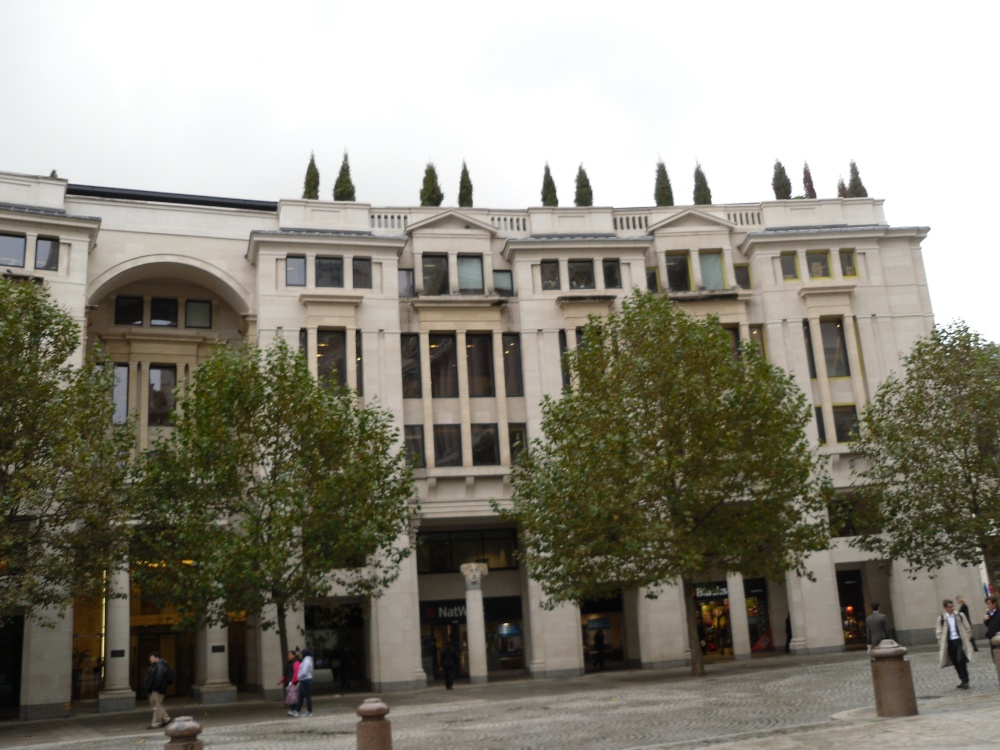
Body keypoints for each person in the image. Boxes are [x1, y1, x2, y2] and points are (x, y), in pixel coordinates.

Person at [936, 599, 973, 689]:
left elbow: (967, 628)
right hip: (949, 643)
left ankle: (966, 680)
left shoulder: (960, 615)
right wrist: (941, 642)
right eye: (949, 607)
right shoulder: (941, 618)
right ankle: (962, 679)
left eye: (952, 606)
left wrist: (967, 638)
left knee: (961, 660)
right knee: (955, 662)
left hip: (959, 641)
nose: (952, 608)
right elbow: (939, 632)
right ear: (945, 608)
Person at [144, 652, 173, 729]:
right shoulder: (156, 665)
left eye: (152, 657)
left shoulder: (160, 665)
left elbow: (159, 678)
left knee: (156, 706)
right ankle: (166, 719)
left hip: (157, 689)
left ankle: (156, 723)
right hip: (156, 688)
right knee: (158, 705)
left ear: (157, 657)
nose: (150, 659)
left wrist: (154, 687)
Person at [289, 648, 314, 717]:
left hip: (306, 680)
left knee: (307, 696)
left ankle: (309, 711)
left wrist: (299, 676)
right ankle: (297, 710)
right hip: (304, 680)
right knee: (300, 696)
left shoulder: (306, 661)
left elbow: (304, 671)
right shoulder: (306, 660)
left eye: (302, 654)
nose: (301, 655)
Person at [984, 596, 1000, 661]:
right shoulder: (988, 613)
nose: (987, 606)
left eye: (989, 604)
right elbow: (988, 625)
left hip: (998, 636)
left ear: (994, 603)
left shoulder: (998, 612)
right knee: (994, 654)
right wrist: (985, 620)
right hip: (992, 636)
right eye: (987, 604)